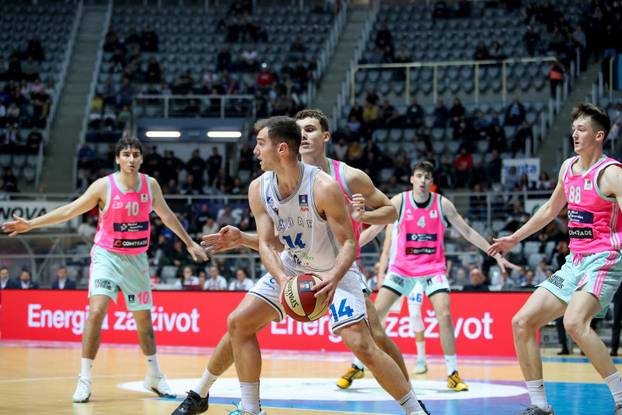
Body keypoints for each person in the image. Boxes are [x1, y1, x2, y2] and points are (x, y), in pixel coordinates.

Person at [173, 116, 429, 415]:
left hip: (334, 270)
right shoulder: (259, 188)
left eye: (260, 144)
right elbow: (269, 244)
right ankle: (250, 409)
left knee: (364, 344)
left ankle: (416, 410)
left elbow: (349, 242)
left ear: (282, 149)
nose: (255, 151)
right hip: (292, 266)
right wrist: (282, 279)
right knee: (238, 323)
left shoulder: (327, 184)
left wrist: (334, 276)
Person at [2, 136, 207, 403]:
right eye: (126, 154)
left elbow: (167, 216)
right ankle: (85, 378)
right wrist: (31, 224)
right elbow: (70, 210)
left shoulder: (150, 185)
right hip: (107, 257)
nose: (131, 159)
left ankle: (154, 376)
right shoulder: (104, 186)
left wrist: (189, 243)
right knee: (97, 311)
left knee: (144, 325)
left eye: (136, 154)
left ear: (142, 159)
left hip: (136, 260)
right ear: (118, 159)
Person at [488, 103, 622, 415]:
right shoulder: (567, 168)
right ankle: (540, 406)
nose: (575, 133)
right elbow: (549, 210)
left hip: (605, 259)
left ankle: (620, 396)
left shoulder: (612, 174)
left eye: (582, 129)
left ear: (599, 135)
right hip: (575, 263)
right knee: (521, 322)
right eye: (574, 128)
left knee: (575, 322)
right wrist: (513, 238)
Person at [363, 161, 518, 392]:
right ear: (412, 179)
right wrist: (350, 247)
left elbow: (466, 231)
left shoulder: (442, 204)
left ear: (431, 182)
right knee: (374, 316)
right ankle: (359, 364)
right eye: (419, 176)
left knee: (444, 314)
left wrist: (494, 254)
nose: (423, 180)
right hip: (402, 269)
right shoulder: (400, 201)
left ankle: (453, 373)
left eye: (427, 177)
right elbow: (374, 229)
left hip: (432, 269)